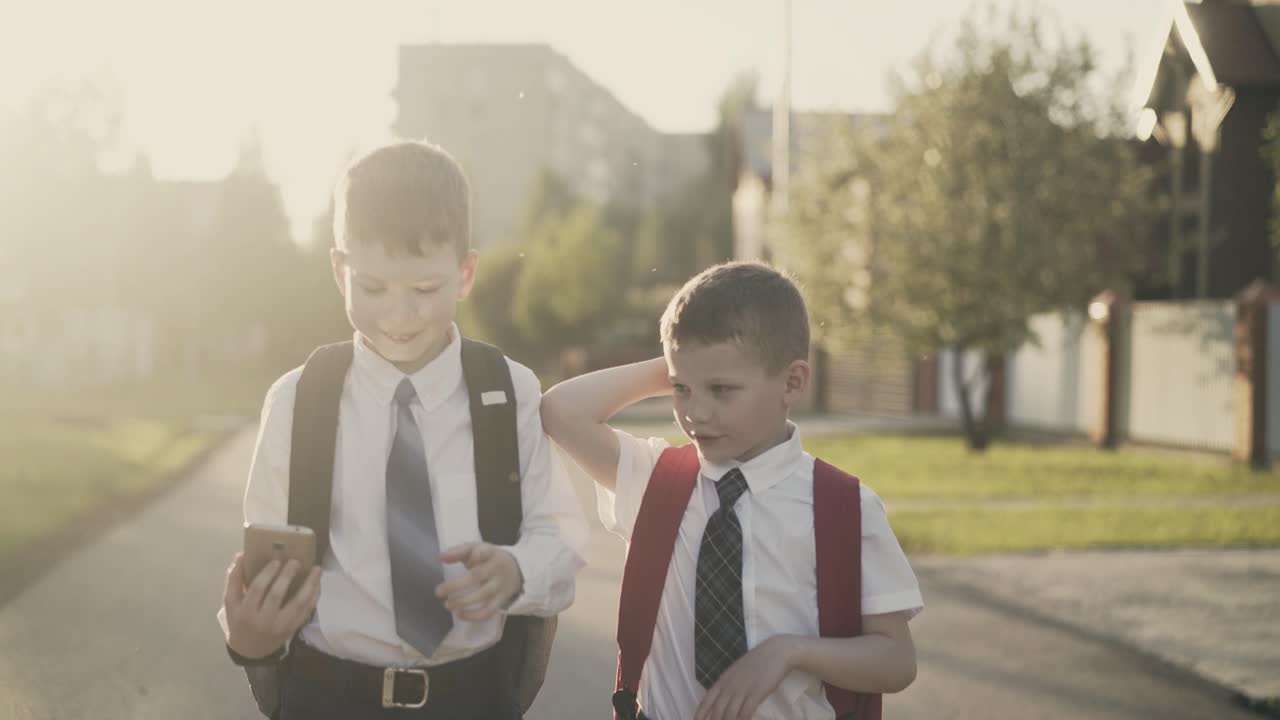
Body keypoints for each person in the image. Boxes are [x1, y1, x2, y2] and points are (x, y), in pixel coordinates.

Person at [217, 140, 588, 719]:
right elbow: (264, 557)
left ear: (465, 273)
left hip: (472, 697)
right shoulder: (298, 399)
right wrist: (247, 632)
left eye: (424, 290)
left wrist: (517, 570)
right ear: (340, 272)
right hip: (328, 695)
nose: (399, 314)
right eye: (372, 288)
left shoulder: (507, 392)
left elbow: (560, 543)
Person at [541, 261, 922, 720]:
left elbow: (896, 660)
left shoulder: (844, 507)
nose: (695, 413)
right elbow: (560, 410)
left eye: (721, 390)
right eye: (682, 390)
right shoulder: (655, 479)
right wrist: (683, 362)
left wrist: (790, 652)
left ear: (793, 382)